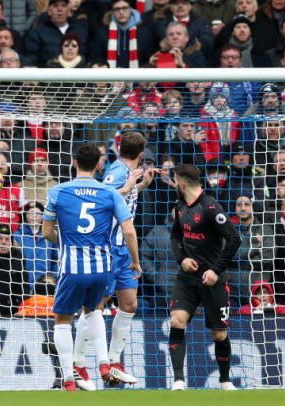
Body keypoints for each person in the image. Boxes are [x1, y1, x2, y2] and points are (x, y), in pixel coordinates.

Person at [42, 143, 141, 391]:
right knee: (94, 311)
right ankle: (105, 363)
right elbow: (128, 230)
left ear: (74, 163)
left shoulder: (58, 192)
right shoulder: (110, 194)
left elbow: (46, 232)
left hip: (72, 267)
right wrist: (136, 261)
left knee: (62, 320)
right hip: (102, 265)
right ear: (99, 165)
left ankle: (68, 378)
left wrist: (64, 241)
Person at [72, 131, 153, 390]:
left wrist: (139, 187)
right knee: (96, 306)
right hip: (109, 249)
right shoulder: (117, 172)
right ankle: (78, 363)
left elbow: (122, 197)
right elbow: (99, 199)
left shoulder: (128, 174)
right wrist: (127, 187)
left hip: (123, 251)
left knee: (129, 304)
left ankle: (115, 362)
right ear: (141, 154)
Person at [168, 163, 242, 391]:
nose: (173, 185)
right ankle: (179, 380)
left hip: (213, 279)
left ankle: (225, 380)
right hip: (187, 277)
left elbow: (234, 239)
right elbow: (175, 236)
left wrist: (216, 270)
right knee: (176, 321)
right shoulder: (180, 206)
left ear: (181, 183)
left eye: (174, 181)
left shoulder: (210, 207)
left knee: (219, 334)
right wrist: (181, 259)